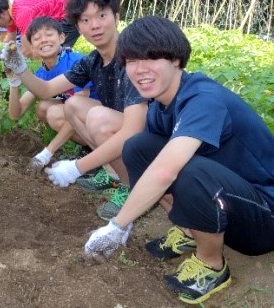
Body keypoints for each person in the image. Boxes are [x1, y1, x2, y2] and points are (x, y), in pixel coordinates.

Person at [83, 16, 274, 305]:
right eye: (132, 61)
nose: (140, 70)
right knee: (138, 146)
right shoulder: (161, 103)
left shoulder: (203, 98)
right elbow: (149, 158)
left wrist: (117, 226)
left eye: (153, 58)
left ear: (176, 60)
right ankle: (190, 230)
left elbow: (165, 172)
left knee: (188, 170)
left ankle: (211, 265)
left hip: (263, 215)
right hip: (227, 199)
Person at [1, 0, 148, 220]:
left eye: (101, 15)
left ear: (116, 16)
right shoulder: (92, 61)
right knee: (72, 105)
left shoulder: (134, 58)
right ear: (78, 26)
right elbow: (46, 89)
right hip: (121, 131)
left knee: (96, 116)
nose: (95, 25)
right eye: (85, 20)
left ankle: (132, 188)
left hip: (150, 137)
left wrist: (77, 166)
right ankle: (115, 174)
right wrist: (19, 72)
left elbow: (134, 128)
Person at [7, 17, 96, 171]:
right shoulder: (42, 73)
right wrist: (14, 83)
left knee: (54, 112)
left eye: (49, 34)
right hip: (83, 120)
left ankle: (96, 151)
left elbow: (79, 109)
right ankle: (89, 147)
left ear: (62, 38)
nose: (43, 40)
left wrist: (48, 152)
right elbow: (16, 114)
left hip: (100, 119)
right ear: (32, 47)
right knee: (43, 107)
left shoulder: (76, 62)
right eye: (37, 38)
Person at [0, 0, 80, 58]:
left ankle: (60, 81)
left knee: (53, 53)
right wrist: (5, 52)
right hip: (66, 10)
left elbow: (27, 51)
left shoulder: (22, 13)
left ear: (2, 14)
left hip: (71, 11)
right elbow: (10, 41)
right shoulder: (11, 11)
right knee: (47, 50)